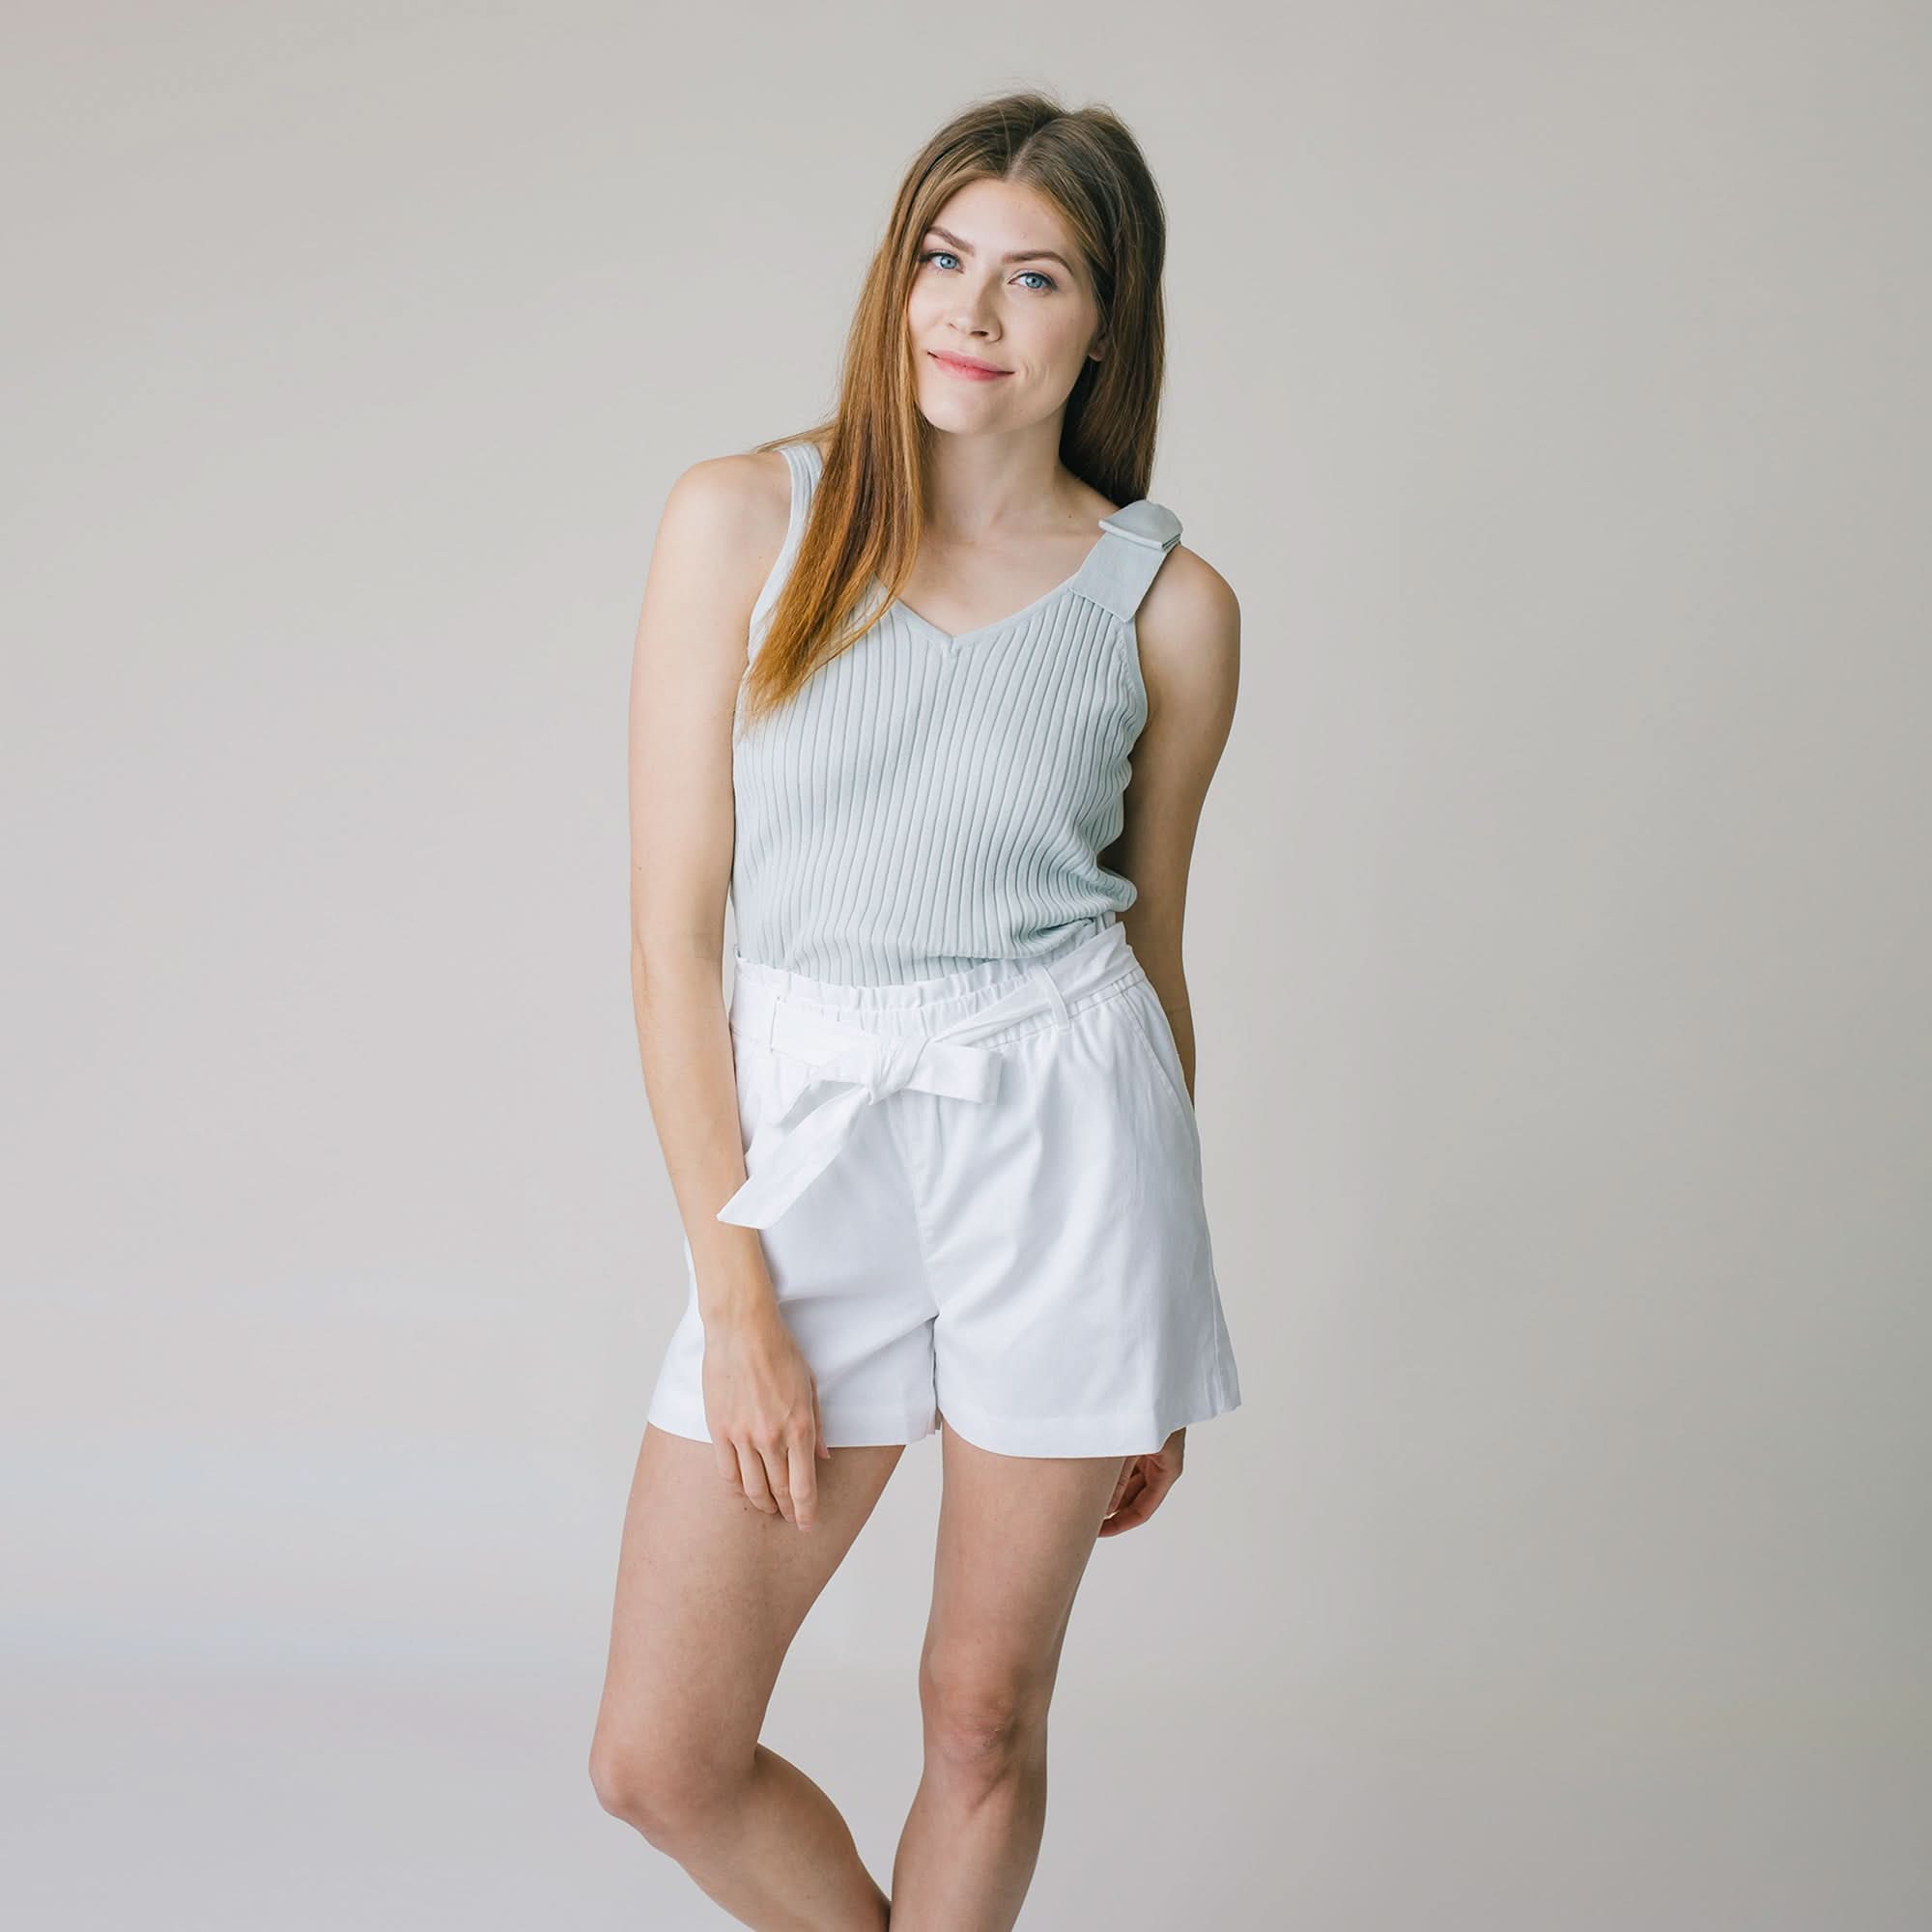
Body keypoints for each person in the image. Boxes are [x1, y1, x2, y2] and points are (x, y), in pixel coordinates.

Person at [588, 90, 1243, 1932]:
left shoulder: (1167, 606)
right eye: (943, 259)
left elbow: (1154, 954)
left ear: (1104, 323)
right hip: (813, 1145)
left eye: (1034, 277)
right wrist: (737, 1296)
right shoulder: (745, 521)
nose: (971, 308)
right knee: (661, 1755)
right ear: (896, 277)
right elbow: (673, 944)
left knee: (978, 1720)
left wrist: (1149, 1334)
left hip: (1073, 1148)